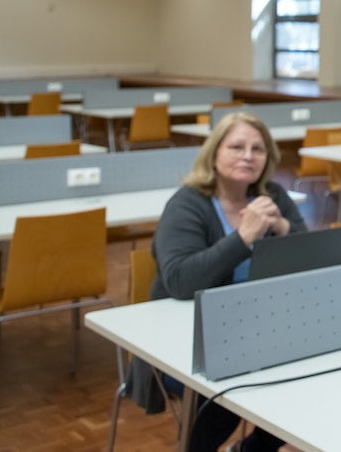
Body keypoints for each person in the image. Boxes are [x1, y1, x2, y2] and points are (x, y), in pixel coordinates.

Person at [129, 112, 304, 452]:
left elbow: (308, 259)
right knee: (231, 394)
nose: (248, 156)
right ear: (214, 153)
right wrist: (243, 237)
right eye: (236, 146)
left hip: (257, 329)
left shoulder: (273, 196)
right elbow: (180, 281)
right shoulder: (187, 204)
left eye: (258, 149)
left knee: (304, 382)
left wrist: (283, 228)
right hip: (186, 338)